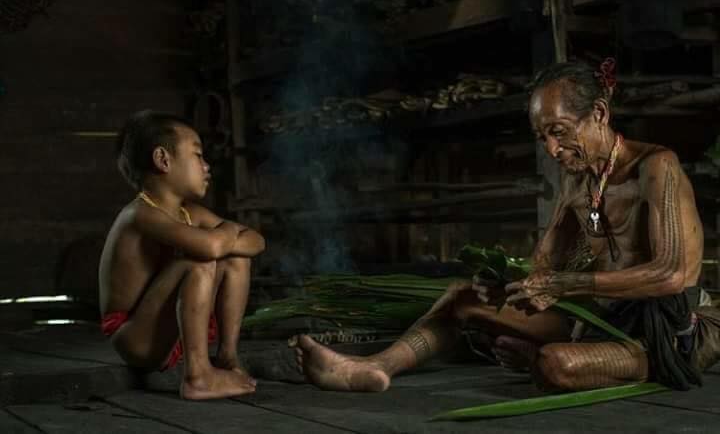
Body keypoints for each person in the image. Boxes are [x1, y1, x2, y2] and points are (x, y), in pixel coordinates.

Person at [290, 60, 720, 393]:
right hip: (600, 317)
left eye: (559, 131)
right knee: (460, 297)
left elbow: (671, 274)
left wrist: (562, 284)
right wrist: (506, 287)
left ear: (599, 113)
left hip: (668, 329)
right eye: (541, 137)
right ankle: (374, 368)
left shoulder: (655, 167)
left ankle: (537, 357)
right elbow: (542, 268)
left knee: (555, 364)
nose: (552, 149)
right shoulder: (577, 182)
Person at [99, 110, 265, 400]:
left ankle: (226, 357)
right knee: (196, 260)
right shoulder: (139, 214)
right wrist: (226, 232)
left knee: (236, 258)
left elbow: (256, 240)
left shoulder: (190, 213)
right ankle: (198, 375)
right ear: (163, 160)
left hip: (168, 334)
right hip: (135, 337)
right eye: (198, 155)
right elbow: (211, 248)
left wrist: (222, 239)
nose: (207, 166)